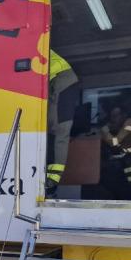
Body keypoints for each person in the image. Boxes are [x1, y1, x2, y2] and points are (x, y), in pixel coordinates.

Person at [46, 50, 79, 196]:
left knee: (59, 130)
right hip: (59, 79)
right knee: (54, 129)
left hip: (62, 78)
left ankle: (52, 181)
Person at [100, 106, 131, 200]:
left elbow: (114, 143)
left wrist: (105, 131)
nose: (113, 119)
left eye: (115, 116)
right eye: (112, 116)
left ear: (124, 115)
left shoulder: (130, 124)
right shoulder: (122, 124)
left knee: (114, 169)